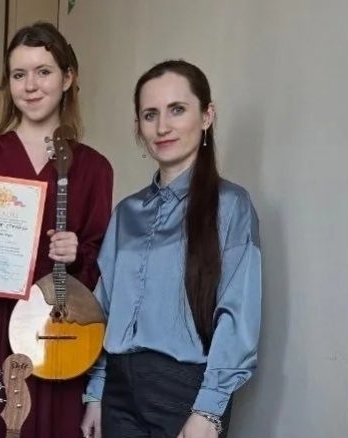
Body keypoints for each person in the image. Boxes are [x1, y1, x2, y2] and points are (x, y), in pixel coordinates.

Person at [80, 60, 262, 438]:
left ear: (207, 115)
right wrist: (96, 392)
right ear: (139, 126)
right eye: (150, 115)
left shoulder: (231, 206)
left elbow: (237, 315)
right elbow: (104, 307)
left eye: (177, 109)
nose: (162, 127)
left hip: (186, 394)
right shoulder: (126, 213)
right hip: (118, 394)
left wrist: (209, 411)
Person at [0, 22, 114, 438]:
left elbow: (105, 266)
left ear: (68, 77)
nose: (30, 85)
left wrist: (78, 253)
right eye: (18, 74)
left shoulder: (95, 168)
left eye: (43, 71)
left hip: (58, 328)